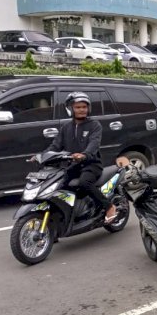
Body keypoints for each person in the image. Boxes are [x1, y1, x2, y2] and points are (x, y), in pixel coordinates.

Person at [44, 91, 116, 223]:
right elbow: (55, 146)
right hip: (72, 165)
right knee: (56, 185)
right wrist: (42, 156)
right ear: (70, 109)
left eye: (84, 107)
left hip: (91, 164)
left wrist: (84, 155)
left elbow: (94, 144)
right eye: (78, 107)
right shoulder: (66, 127)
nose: (82, 110)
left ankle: (109, 206)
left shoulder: (94, 125)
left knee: (84, 183)